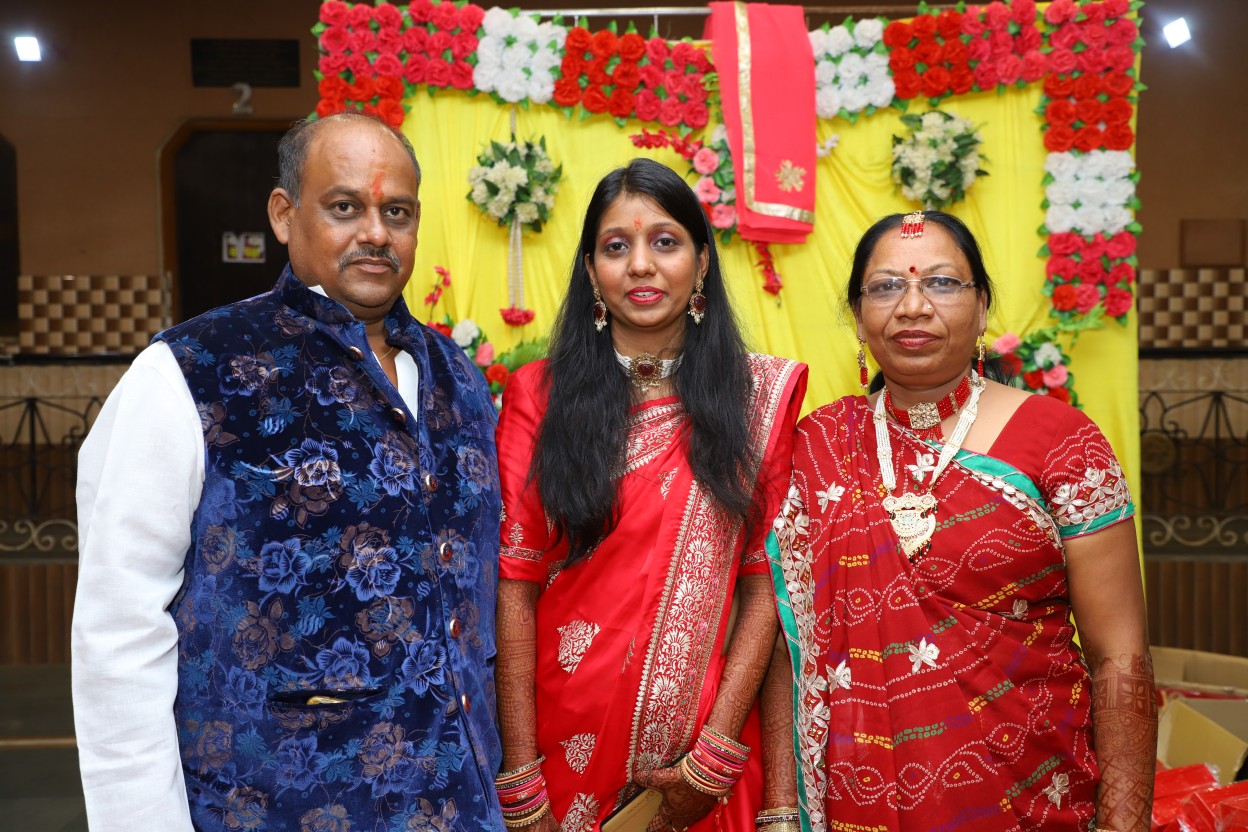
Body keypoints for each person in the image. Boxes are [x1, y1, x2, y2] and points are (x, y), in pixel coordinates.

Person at [72, 112, 504, 831]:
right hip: (271, 808)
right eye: (345, 207)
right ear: (283, 214)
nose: (376, 233)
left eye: (397, 213)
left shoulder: (455, 376)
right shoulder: (192, 371)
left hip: (459, 806)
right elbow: (119, 626)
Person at [763, 211, 1156, 832]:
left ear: (982, 308)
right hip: (856, 801)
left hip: (1034, 795)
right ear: (858, 317)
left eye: (942, 283)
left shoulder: (1063, 442)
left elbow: (1120, 657)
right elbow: (786, 645)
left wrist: (1125, 823)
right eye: (886, 286)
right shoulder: (817, 445)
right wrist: (782, 811)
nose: (912, 306)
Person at [491, 158, 807, 832]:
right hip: (561, 739)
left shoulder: (755, 400)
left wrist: (715, 754)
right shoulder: (539, 397)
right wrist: (519, 774)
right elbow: (515, 583)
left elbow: (764, 586)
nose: (640, 265)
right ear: (590, 272)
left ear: (701, 264)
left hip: (704, 757)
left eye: (665, 242)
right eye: (616, 246)